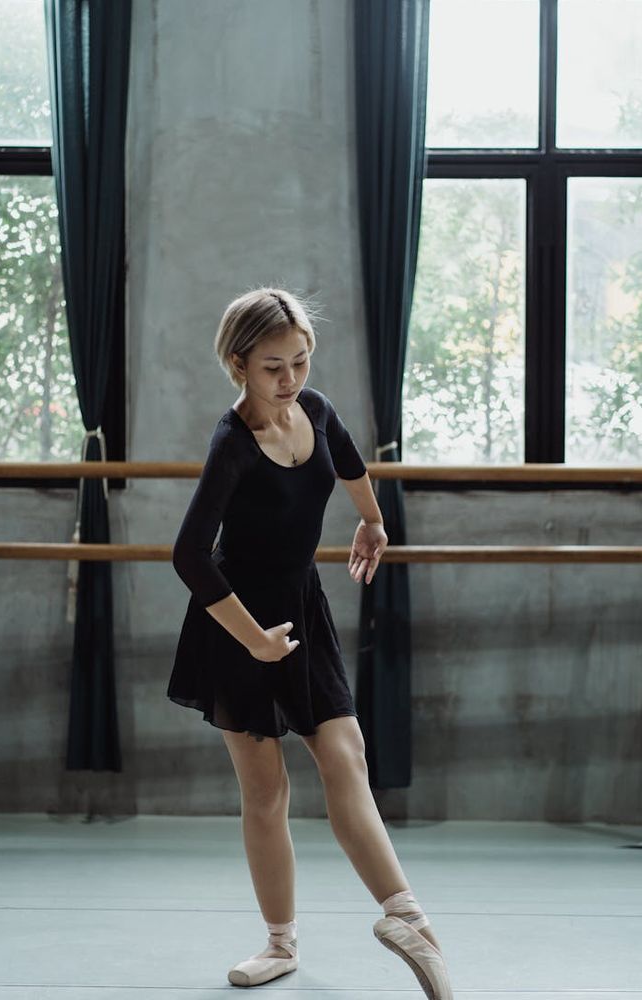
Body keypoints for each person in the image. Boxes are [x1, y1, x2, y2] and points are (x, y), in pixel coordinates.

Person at [168, 287, 453, 997]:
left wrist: (372, 522)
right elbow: (189, 555)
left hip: (303, 605)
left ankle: (404, 915)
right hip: (239, 622)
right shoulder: (231, 444)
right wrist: (255, 642)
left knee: (344, 756)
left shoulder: (316, 410)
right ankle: (280, 943)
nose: (290, 378)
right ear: (238, 365)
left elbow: (350, 462)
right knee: (266, 791)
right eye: (273, 367)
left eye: (299, 361)